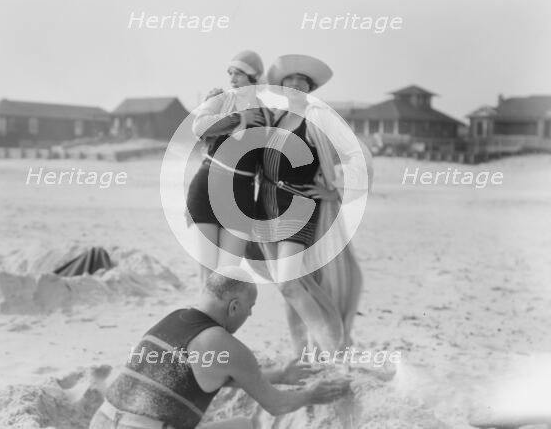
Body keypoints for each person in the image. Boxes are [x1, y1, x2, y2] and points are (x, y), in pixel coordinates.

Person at [89, 267, 351, 429]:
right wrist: (312, 395)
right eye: (250, 308)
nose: (250, 315)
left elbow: (206, 376)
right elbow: (276, 405)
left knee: (241, 426)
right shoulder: (225, 345)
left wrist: (280, 374)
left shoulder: (172, 319)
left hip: (101, 421)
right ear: (234, 306)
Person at [252, 54, 372, 356]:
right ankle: (302, 352)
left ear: (310, 87)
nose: (295, 85)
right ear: (280, 86)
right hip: (267, 207)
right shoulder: (275, 118)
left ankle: (333, 349)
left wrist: (338, 191)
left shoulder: (318, 117)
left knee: (289, 284)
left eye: (302, 81)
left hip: (299, 206)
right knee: (293, 290)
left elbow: (358, 154)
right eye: (289, 80)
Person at [186, 51, 274, 286]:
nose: (232, 78)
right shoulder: (221, 99)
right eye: (230, 73)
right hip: (206, 186)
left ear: (253, 76)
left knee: (226, 276)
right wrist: (238, 117)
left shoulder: (268, 114)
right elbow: (198, 127)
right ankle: (206, 323)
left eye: (239, 74)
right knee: (206, 275)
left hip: (240, 195)